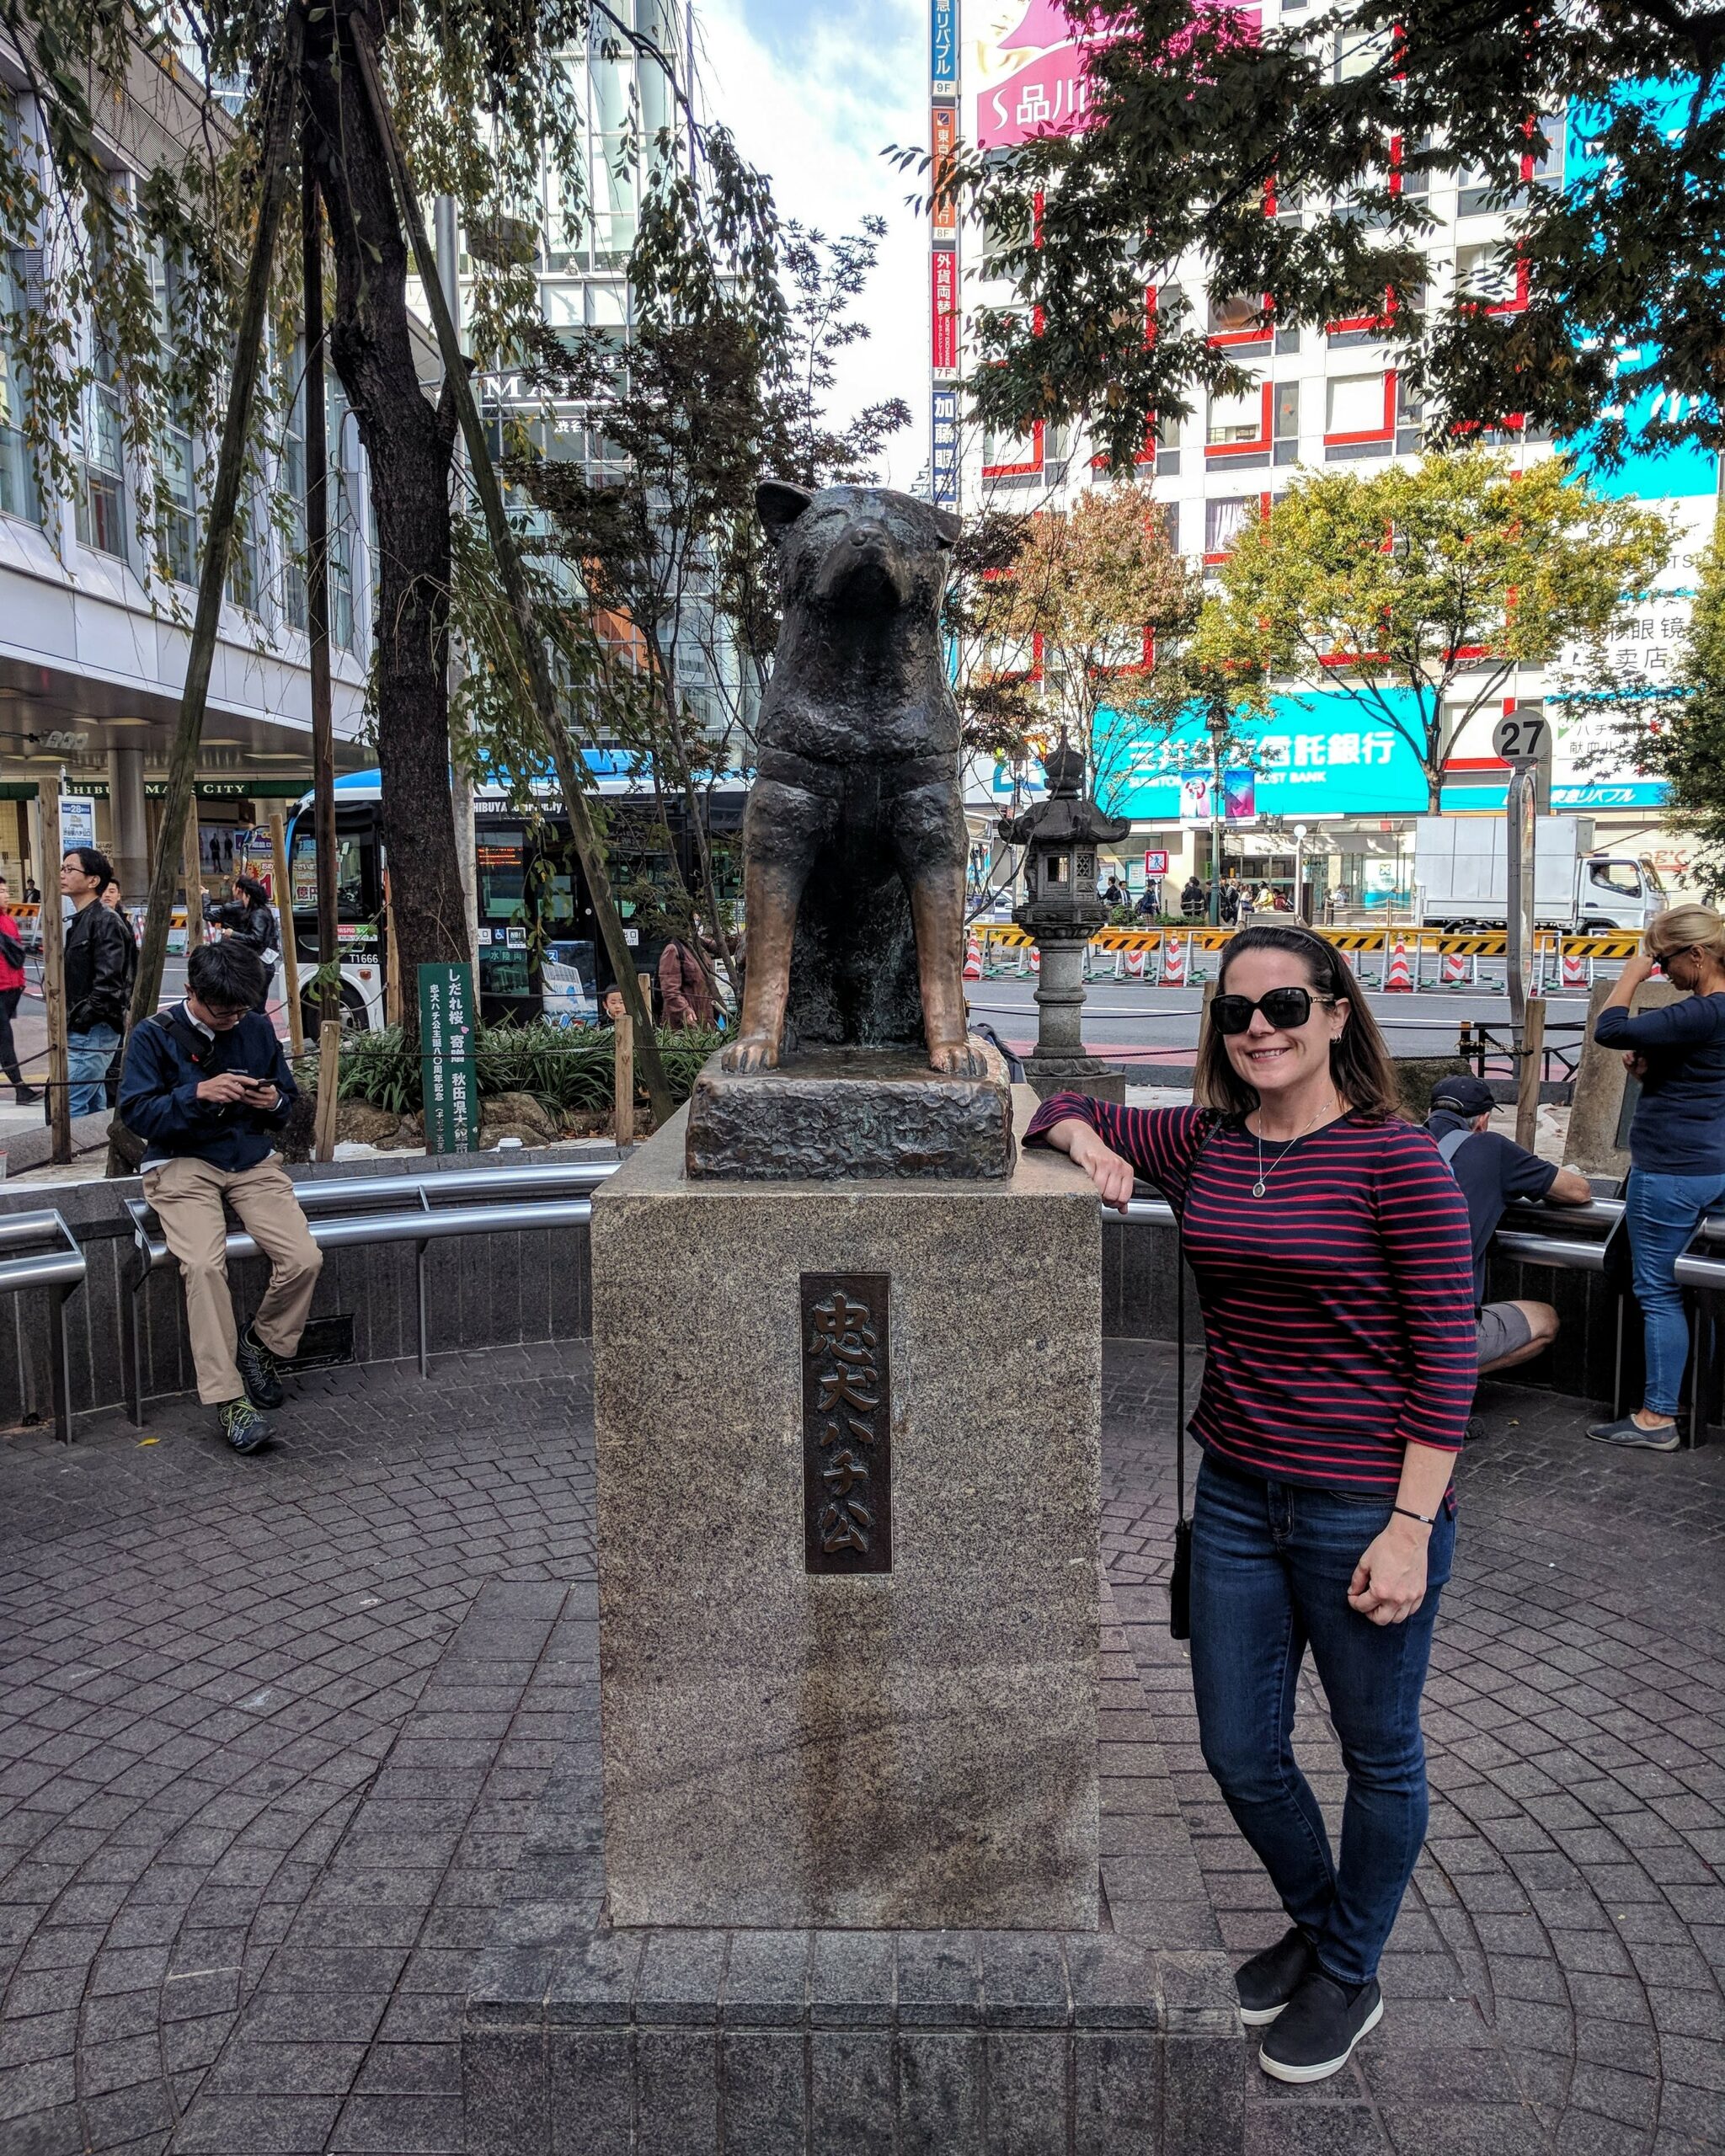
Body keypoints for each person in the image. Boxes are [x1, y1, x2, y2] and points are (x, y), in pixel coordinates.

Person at [1028, 923, 1474, 2084]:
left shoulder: (1397, 1158)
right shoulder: (1209, 1142)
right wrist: (1084, 1135)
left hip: (1364, 1503)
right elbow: (1055, 1098)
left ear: (1336, 1014)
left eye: (1286, 1005)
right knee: (1239, 1752)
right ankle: (1331, 1931)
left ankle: (1349, 1969)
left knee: (1379, 1754)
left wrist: (1412, 1527)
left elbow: (1446, 1358)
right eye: (1236, 1012)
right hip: (1234, 1494)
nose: (1260, 1028)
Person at [117, 938, 321, 1455]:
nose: (233, 1018)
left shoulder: (254, 1027)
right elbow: (136, 1114)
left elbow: (287, 1099)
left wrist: (273, 1099)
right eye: (222, 1009)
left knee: (303, 1258)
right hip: (182, 1164)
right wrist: (197, 1094)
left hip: (249, 1159)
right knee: (204, 1268)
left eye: (242, 1008)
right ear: (191, 992)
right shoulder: (153, 1035)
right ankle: (229, 1400)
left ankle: (261, 1345)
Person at [1587, 904, 1725, 1449]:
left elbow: (1610, 1028)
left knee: (1659, 1292)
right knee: (1702, 1291)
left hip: (1671, 1170)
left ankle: (1657, 1417)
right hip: (1714, 1165)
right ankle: (1693, 1399)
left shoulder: (1704, 1011)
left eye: (1666, 958)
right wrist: (1652, 1072)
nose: (1662, 970)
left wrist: (1629, 974)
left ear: (1698, 953)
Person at [1423, 1075, 1591, 1376]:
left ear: (1430, 1113)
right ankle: (1446, 1380)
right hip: (1439, 1330)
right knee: (1546, 1320)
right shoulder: (1493, 1149)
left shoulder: (1399, 1142)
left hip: (1377, 1322)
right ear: (1483, 1120)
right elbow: (1578, 1191)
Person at [61, 846, 134, 1118]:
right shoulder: (84, 920)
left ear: (93, 881)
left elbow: (109, 983)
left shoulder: (104, 921)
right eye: (62, 868)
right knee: (91, 1101)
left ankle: (77, 1157)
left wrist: (81, 1016)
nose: (63, 874)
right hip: (87, 1024)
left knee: (72, 1100)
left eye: (70, 869)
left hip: (94, 1026)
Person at [99, 878, 139, 1107]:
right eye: (104, 891)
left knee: (115, 1055)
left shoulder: (122, 923)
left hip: (118, 1003)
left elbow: (129, 967)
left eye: (112, 891)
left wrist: (127, 1003)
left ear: (119, 895)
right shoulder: (95, 920)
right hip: (106, 1003)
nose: (107, 895)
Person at [0, 876, 40, 1104]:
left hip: (11, 989)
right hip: (2, 988)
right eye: (2, 891)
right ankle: (20, 1088)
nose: (6, 895)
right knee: (5, 1040)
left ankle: (20, 1088)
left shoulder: (7, 920)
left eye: (6, 890)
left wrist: (20, 982)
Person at [223, 874, 280, 1006]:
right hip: (262, 962)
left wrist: (233, 935)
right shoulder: (258, 911)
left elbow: (257, 939)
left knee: (253, 1008)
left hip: (261, 963)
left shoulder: (258, 913)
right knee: (256, 1008)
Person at [658, 928, 714, 1030]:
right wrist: (684, 1010)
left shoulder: (699, 945)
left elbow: (720, 946)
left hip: (705, 1017)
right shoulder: (673, 949)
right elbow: (669, 990)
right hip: (685, 1022)